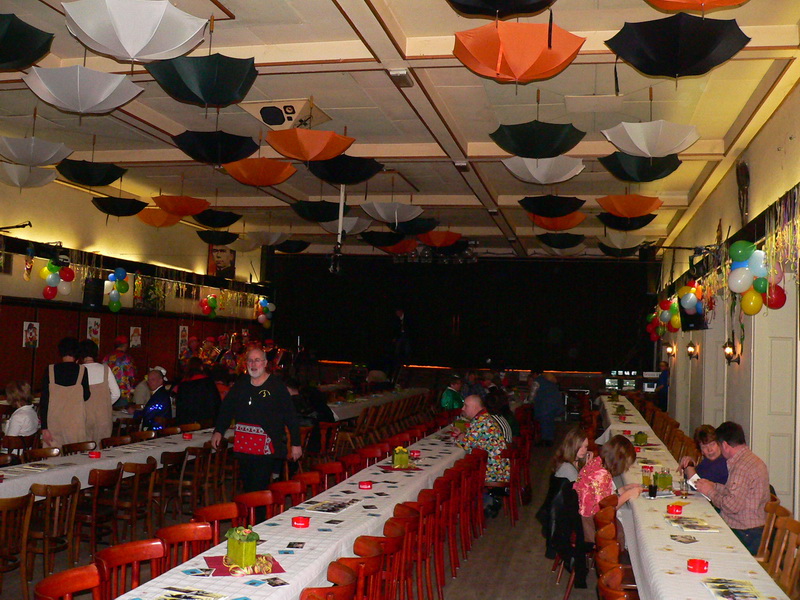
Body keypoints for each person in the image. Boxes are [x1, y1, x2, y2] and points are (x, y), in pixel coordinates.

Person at [211, 348, 302, 519]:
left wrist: (296, 443)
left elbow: (291, 416)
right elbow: (227, 409)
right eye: (250, 360)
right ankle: (250, 523)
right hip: (244, 446)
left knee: (259, 488)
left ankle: (259, 523)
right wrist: (218, 431)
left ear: (265, 363)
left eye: (257, 360)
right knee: (247, 488)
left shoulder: (276, 386)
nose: (253, 364)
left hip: (267, 447)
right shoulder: (241, 384)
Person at [695, 422, 770, 555]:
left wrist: (709, 492)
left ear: (724, 445)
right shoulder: (749, 459)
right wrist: (714, 486)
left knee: (699, 540)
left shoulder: (741, 467)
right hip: (753, 529)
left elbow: (732, 506)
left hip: (745, 533)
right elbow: (734, 492)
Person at [537, 426, 593, 587]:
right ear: (572, 446)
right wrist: (588, 468)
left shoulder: (570, 463)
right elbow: (585, 492)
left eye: (586, 447)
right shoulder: (567, 469)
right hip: (567, 521)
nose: (584, 450)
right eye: (581, 447)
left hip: (566, 514)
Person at [574, 434, 641, 541]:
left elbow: (601, 495)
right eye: (626, 464)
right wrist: (627, 495)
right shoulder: (601, 475)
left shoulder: (597, 462)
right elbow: (605, 512)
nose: (626, 469)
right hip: (591, 526)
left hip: (585, 516)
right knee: (629, 526)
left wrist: (621, 490)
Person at [455, 394, 509, 516]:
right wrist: (463, 436)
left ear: (475, 407)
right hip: (499, 467)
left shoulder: (479, 422)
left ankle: (462, 509)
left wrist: (458, 438)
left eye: (466, 406)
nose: (463, 408)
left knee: (460, 476)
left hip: (492, 471)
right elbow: (473, 440)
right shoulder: (484, 418)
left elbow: (467, 446)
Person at [41, 337, 90, 448]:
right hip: (75, 423)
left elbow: (44, 400)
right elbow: (86, 396)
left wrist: (44, 427)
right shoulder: (82, 370)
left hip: (54, 423)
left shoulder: (50, 370)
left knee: (53, 456)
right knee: (75, 455)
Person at [79, 339, 120, 445]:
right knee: (102, 448)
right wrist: (106, 404)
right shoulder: (105, 369)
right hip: (103, 417)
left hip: (84, 416)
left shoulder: (78, 370)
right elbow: (116, 393)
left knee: (84, 448)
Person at [174, 357, 221, 426]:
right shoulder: (207, 382)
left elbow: (179, 407)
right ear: (201, 367)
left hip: (187, 423)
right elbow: (216, 402)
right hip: (206, 422)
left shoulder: (183, 385)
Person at [103, 335, 136, 407]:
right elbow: (132, 377)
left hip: (109, 393)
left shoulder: (106, 358)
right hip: (124, 393)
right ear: (125, 345)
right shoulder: (127, 358)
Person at [533, 371, 563, 446]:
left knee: (544, 423)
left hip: (545, 405)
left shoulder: (538, 381)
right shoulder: (549, 379)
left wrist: (529, 400)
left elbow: (533, 394)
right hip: (554, 404)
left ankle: (545, 440)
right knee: (550, 423)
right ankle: (549, 440)